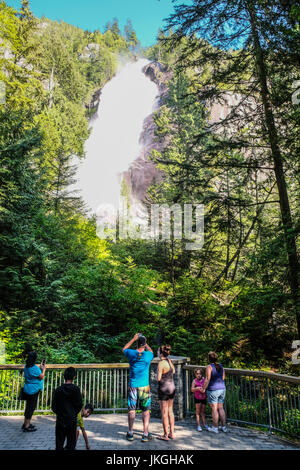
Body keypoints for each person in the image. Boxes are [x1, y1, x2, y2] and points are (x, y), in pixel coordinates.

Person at [122, 333, 154, 442]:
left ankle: (130, 432)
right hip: (144, 386)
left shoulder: (131, 353)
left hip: (133, 385)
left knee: (132, 409)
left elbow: (124, 349)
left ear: (137, 343)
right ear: (144, 344)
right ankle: (145, 434)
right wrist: (145, 343)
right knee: (145, 410)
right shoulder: (148, 355)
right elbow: (152, 351)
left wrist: (133, 338)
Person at [51, 367, 82, 450]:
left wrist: (60, 413)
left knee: (59, 443)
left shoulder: (58, 390)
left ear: (64, 376)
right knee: (71, 444)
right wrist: (73, 413)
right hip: (72, 420)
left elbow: (53, 406)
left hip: (60, 420)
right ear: (74, 377)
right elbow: (79, 405)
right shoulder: (76, 389)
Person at [201, 352, 227, 434]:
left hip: (213, 390)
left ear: (209, 358)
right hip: (222, 388)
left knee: (214, 409)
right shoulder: (221, 366)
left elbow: (208, 379)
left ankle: (215, 428)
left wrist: (204, 388)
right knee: (221, 408)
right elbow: (223, 377)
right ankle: (224, 427)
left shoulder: (209, 367)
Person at [22, 351, 46, 432]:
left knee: (28, 407)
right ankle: (27, 426)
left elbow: (33, 375)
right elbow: (41, 377)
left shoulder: (26, 367)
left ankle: (25, 423)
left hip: (27, 388)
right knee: (31, 408)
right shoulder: (34, 368)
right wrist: (43, 369)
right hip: (34, 389)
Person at [157, 345, 176, 441]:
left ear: (160, 353)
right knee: (170, 411)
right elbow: (174, 371)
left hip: (164, 389)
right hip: (172, 387)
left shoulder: (161, 363)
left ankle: (165, 435)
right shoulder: (170, 361)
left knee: (164, 412)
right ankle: (172, 433)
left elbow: (159, 378)